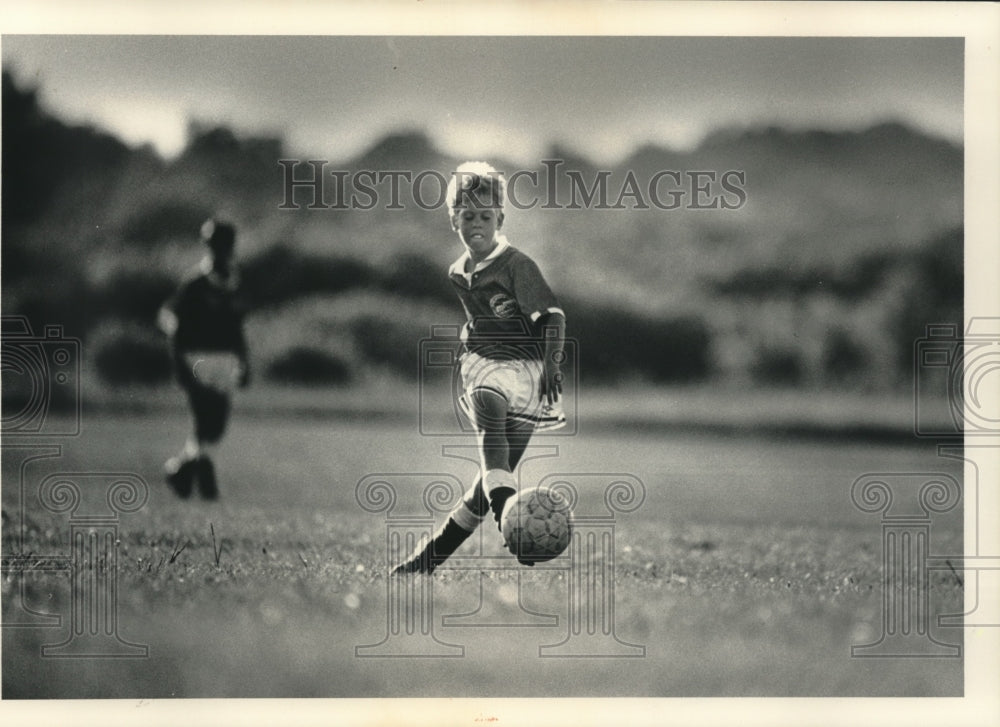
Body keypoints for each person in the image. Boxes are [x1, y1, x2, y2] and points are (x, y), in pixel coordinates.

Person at [394, 162, 566, 574]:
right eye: (467, 215)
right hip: (483, 367)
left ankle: (429, 558)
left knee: (486, 485)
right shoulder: (457, 272)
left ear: (500, 219)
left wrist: (552, 366)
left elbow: (554, 317)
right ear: (453, 219)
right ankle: (512, 518)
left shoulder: (517, 266)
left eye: (485, 216)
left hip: (527, 374)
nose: (476, 224)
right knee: (490, 429)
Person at [158, 218, 250, 500]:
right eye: (216, 245)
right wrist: (179, 363)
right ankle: (200, 472)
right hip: (197, 358)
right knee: (204, 420)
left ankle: (182, 469)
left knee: (216, 427)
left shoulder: (234, 284)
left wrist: (245, 361)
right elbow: (174, 323)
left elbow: (237, 327)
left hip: (224, 361)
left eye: (225, 244)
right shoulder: (195, 284)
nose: (221, 250)